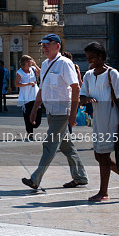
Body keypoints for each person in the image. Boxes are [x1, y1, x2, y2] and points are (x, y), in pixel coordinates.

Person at [22, 34, 88, 190]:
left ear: (57, 46)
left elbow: (76, 88)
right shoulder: (45, 64)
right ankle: (80, 177)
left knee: (49, 144)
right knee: (67, 147)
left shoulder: (65, 63)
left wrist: (73, 114)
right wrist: (35, 109)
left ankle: (35, 179)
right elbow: (42, 89)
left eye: (48, 44)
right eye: (43, 45)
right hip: (51, 111)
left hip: (62, 111)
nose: (44, 47)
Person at [80, 42, 119, 202]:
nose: (89, 60)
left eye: (92, 57)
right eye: (87, 57)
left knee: (103, 155)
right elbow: (82, 97)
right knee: (99, 155)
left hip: (112, 119)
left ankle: (103, 192)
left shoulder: (113, 74)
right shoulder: (88, 75)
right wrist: (86, 99)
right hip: (98, 120)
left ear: (101, 57)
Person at [16, 55, 42, 140]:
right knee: (27, 115)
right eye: (30, 61)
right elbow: (17, 84)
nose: (31, 62)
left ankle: (35, 124)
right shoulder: (20, 72)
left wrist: (35, 65)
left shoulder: (33, 69)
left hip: (35, 95)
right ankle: (30, 133)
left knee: (38, 113)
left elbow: (41, 73)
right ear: (25, 62)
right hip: (26, 97)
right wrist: (28, 84)